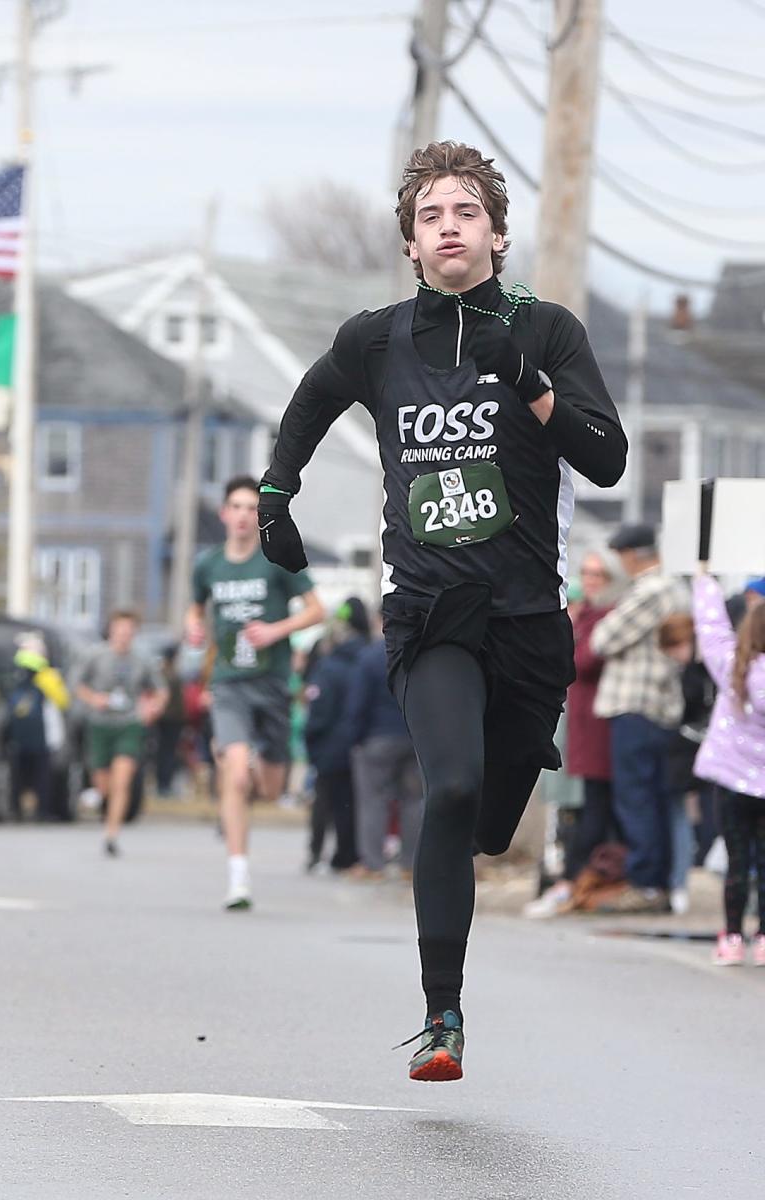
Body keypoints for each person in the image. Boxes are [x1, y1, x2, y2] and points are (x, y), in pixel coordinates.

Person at [256, 141, 626, 1080]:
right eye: (430, 216)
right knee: (449, 790)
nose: (448, 226)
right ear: (411, 245)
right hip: (428, 611)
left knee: (491, 822)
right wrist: (275, 495)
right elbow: (310, 400)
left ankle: (515, 759)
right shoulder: (375, 341)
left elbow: (608, 458)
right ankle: (443, 1016)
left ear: (497, 235)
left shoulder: (547, 331)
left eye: (466, 212)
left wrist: (533, 389)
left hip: (528, 615)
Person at [186, 475, 324, 910]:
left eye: (252, 508)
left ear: (258, 516)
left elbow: (317, 610)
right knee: (237, 771)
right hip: (228, 683)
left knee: (267, 786)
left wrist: (275, 630)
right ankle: (238, 877)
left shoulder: (276, 560)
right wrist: (194, 626)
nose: (244, 515)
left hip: (274, 684)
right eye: (237, 507)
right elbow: (196, 605)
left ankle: (247, 756)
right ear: (224, 514)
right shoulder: (208, 565)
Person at [591, 523, 688, 913]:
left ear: (631, 555)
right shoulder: (678, 588)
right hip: (661, 708)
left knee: (637, 799)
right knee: (655, 799)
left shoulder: (652, 590)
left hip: (638, 703)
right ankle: (659, 882)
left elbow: (603, 639)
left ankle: (646, 884)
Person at [525, 550, 623, 917]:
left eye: (599, 574)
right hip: (573, 726)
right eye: (586, 573)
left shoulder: (605, 618)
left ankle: (577, 879)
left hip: (598, 726)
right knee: (572, 810)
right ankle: (570, 878)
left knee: (594, 809)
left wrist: (575, 630)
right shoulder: (583, 618)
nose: (592, 580)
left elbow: (579, 660)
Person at [692, 567, 765, 967]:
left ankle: (733, 937)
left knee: (738, 860)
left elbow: (710, 625)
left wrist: (705, 581)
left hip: (734, 780)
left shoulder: (733, 666)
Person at [76, 610, 168, 857]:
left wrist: (153, 708)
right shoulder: (95, 655)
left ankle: (111, 834)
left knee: (122, 781)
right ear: (111, 630)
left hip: (129, 724)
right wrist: (94, 699)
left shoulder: (143, 659)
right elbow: (77, 685)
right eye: (120, 630)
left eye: (129, 631)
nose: (124, 636)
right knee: (104, 784)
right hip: (100, 724)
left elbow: (161, 691)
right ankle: (101, 800)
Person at [345, 616, 424, 883]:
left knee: (373, 801)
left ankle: (373, 863)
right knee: (414, 801)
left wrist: (355, 738)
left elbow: (357, 703)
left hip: (376, 739)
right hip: (414, 737)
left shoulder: (369, 656)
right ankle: (410, 864)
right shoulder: (420, 653)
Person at [304, 598, 370, 873]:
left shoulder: (329, 666)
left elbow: (319, 710)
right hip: (361, 741)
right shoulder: (371, 657)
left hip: (330, 745)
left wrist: (312, 738)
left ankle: (316, 852)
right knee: (352, 803)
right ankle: (347, 854)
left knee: (324, 802)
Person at [658, 613, 715, 916]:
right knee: (679, 808)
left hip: (711, 746)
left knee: (713, 811)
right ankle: (681, 879)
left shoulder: (711, 663)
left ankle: (704, 864)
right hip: (687, 744)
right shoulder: (686, 669)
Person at [5, 636, 70, 821]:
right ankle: (41, 810)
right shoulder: (47, 675)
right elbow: (63, 701)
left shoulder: (14, 672)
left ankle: (16, 809)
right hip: (40, 737)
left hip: (19, 735)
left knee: (19, 774)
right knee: (41, 776)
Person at [154, 646, 186, 797]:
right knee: (168, 753)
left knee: (164, 752)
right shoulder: (171, 675)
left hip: (164, 719)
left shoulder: (162, 673)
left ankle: (163, 784)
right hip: (171, 720)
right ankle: (164, 785)